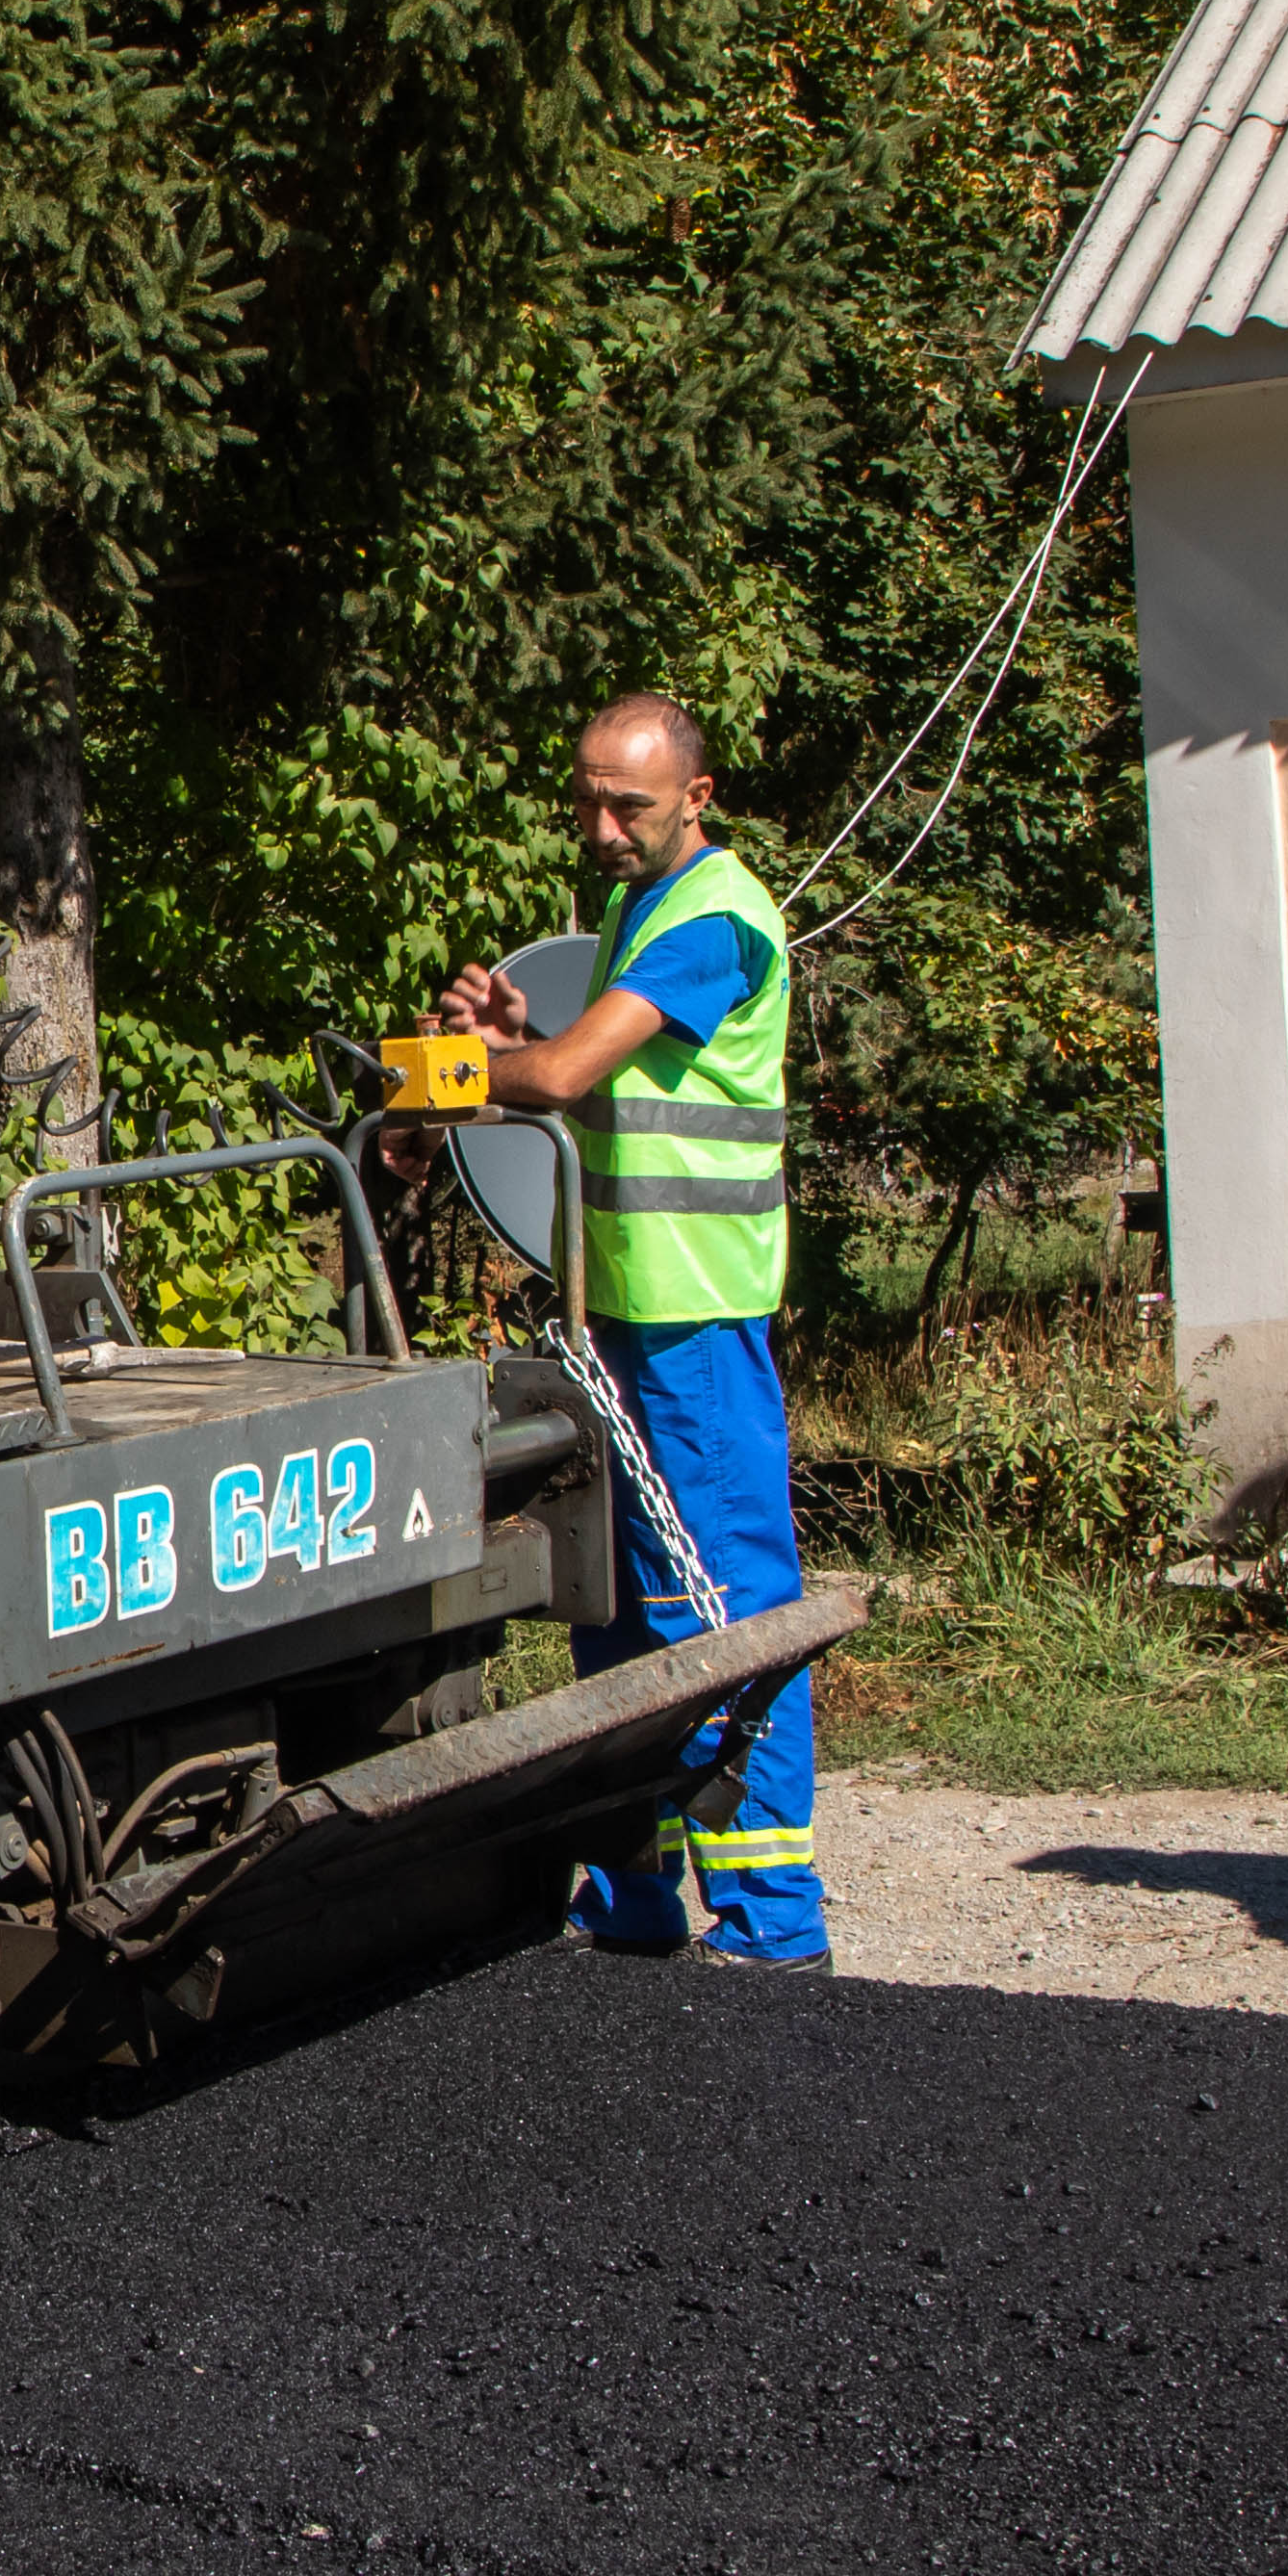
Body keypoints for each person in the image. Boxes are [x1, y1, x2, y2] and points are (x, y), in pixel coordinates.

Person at [441, 692, 827, 1969]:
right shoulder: (636, 908)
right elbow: (595, 1080)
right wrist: (520, 1043)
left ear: (698, 799)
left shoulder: (714, 915)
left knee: (730, 1608)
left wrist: (453, 1069)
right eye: (589, 801)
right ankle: (633, 1891)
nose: (602, 827)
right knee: (617, 1605)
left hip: (696, 1318)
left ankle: (775, 1922)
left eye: (631, 807)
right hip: (617, 1311)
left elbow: (563, 1085)